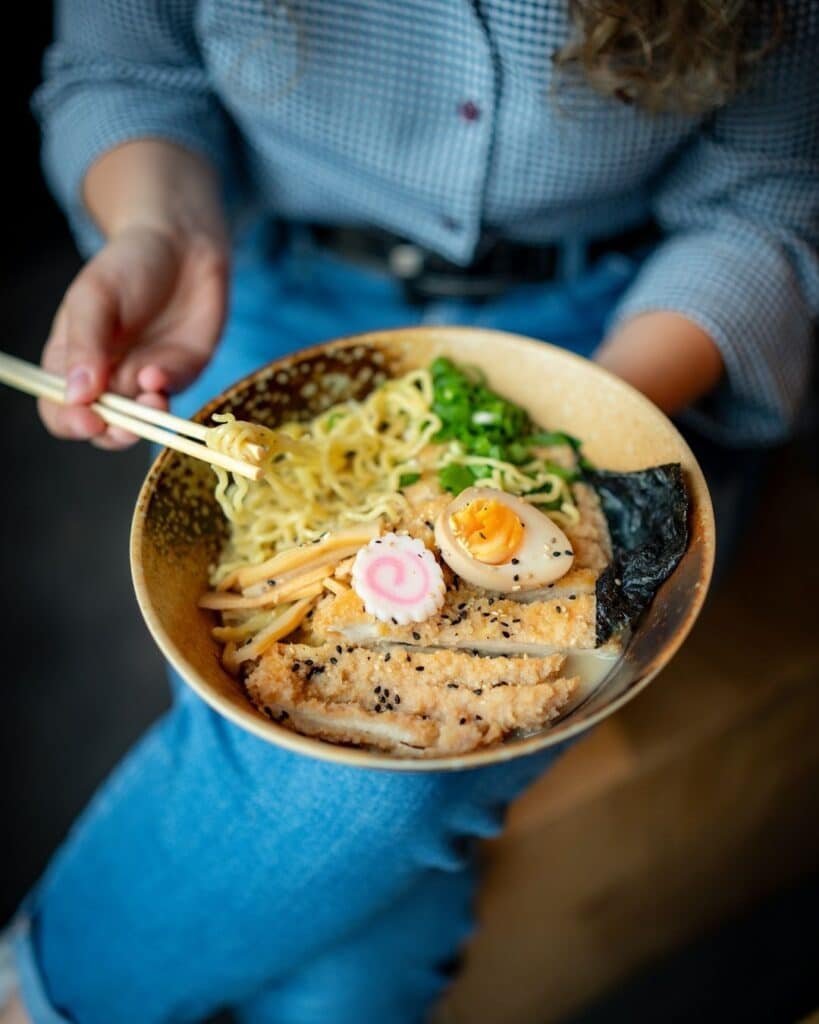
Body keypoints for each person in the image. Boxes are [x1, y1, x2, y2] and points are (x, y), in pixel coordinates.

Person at [2, 1, 817, 1021]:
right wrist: (161, 227)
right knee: (354, 908)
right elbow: (127, 72)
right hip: (277, 295)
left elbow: (774, 203)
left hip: (623, 326)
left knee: (380, 813)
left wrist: (581, 422)